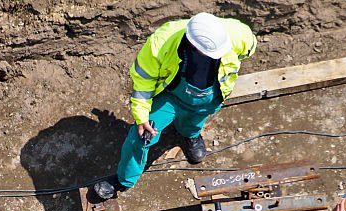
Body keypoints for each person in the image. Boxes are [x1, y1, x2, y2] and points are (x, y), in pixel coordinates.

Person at [92, 12, 256, 201]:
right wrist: (142, 117)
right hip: (171, 97)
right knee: (140, 138)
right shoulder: (161, 42)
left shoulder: (238, 34)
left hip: (208, 99)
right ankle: (124, 180)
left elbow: (249, 48)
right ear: (192, 43)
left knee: (194, 122)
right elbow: (143, 82)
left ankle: (190, 135)